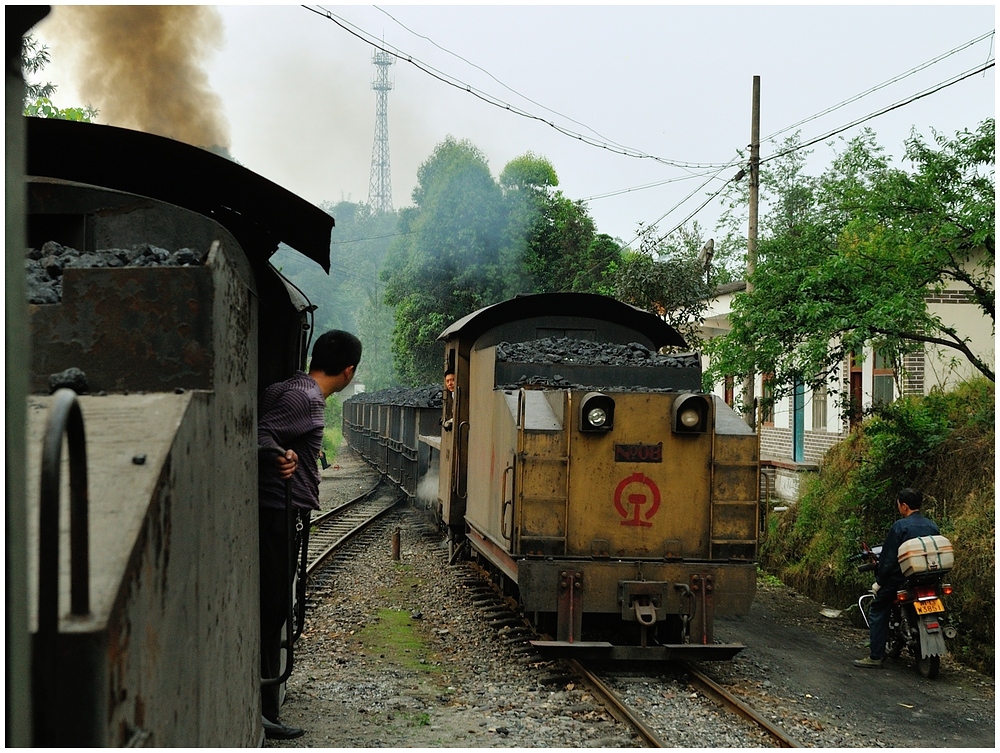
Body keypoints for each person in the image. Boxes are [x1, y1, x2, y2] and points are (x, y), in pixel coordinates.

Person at [257, 330, 362, 738]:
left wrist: (279, 453)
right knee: (271, 611)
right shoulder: (306, 399)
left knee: (274, 609)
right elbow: (262, 431)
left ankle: (265, 707)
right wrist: (278, 455)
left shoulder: (293, 388)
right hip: (279, 514)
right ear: (349, 371)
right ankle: (261, 709)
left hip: (282, 512)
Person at [854, 488, 940, 669]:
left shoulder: (900, 526)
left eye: (899, 504)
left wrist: (880, 581)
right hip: (929, 579)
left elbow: (888, 559)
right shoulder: (932, 526)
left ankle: (876, 656)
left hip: (901, 580)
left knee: (878, 609)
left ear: (904, 506)